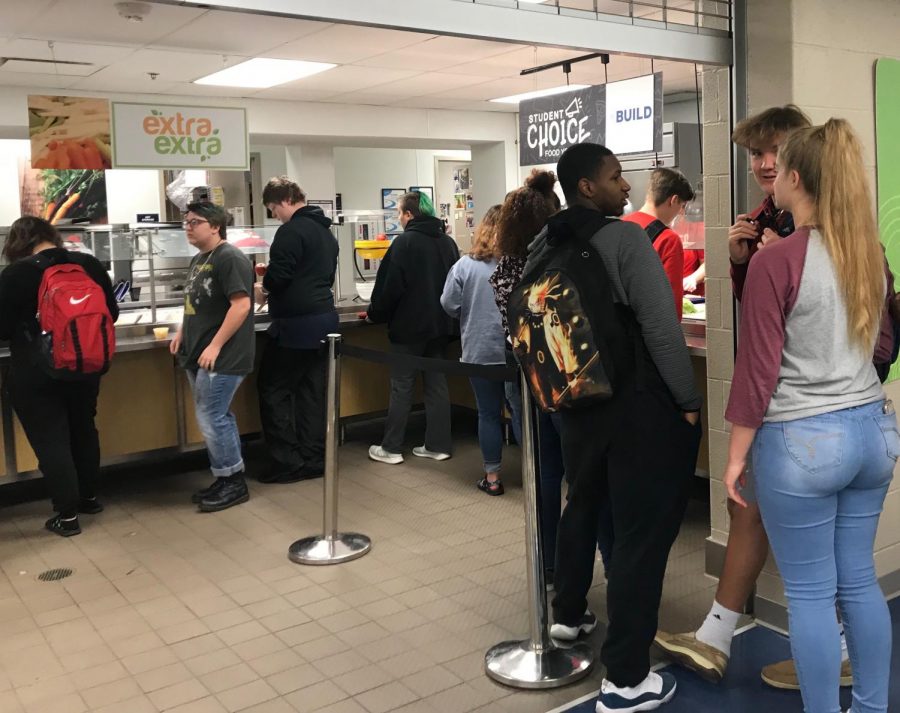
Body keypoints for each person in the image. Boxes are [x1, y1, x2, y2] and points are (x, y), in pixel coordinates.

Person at [723, 118, 895, 713]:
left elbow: (756, 371)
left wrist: (736, 457)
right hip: (872, 434)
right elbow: (878, 348)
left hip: (803, 443)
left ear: (795, 178)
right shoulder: (869, 253)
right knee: (859, 584)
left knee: (813, 596)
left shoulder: (780, 262)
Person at [654, 105, 819, 689]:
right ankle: (716, 636)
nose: (764, 163)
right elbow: (767, 322)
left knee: (810, 534)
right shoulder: (765, 219)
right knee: (746, 508)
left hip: (812, 410)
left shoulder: (828, 228)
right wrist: (744, 263)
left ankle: (832, 653)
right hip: (789, 404)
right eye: (755, 154)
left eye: (775, 151)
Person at [543, 143, 702, 713]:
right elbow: (661, 327)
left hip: (577, 406)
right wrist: (688, 402)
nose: (627, 188)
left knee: (583, 504)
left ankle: (567, 617)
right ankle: (627, 678)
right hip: (634, 409)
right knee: (641, 537)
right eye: (615, 178)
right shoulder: (624, 240)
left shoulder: (549, 239)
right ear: (587, 186)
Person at [0, 216, 118, 536]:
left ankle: (66, 517)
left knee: (51, 439)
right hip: (85, 364)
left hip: (37, 370)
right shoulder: (89, 264)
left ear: (17, 241)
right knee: (83, 429)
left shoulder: (17, 273)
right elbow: (113, 313)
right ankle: (89, 498)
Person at [170, 202, 254, 512]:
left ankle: (234, 483)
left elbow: (241, 305)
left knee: (213, 417)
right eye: (186, 222)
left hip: (224, 356)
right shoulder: (199, 260)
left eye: (195, 222)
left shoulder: (229, 257)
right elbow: (195, 304)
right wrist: (182, 332)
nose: (188, 227)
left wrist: (216, 345)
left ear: (215, 226)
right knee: (214, 417)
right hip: (198, 351)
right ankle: (226, 476)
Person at [255, 177, 339, 483]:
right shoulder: (325, 232)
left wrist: (263, 289)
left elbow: (279, 277)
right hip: (324, 320)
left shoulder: (290, 232)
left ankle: (286, 461)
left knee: (273, 388)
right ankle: (314, 457)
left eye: (273, 209)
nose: (275, 215)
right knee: (312, 392)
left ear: (284, 201)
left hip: (295, 326)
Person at [367, 191, 459, 464]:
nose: (399, 218)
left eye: (399, 213)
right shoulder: (448, 243)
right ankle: (438, 444)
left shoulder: (403, 244)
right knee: (437, 384)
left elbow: (388, 289)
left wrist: (375, 314)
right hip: (441, 326)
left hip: (408, 328)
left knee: (402, 386)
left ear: (409, 215)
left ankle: (392, 448)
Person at [440, 205, 510, 495]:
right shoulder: (519, 262)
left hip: (479, 349)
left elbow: (448, 303)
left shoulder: (465, 266)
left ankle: (492, 478)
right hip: (513, 351)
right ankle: (538, 472)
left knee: (488, 414)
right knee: (521, 413)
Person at [622, 167, 695, 320]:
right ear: (673, 200)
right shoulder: (668, 239)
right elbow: (671, 306)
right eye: (682, 206)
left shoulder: (621, 226)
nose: (680, 213)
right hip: (648, 331)